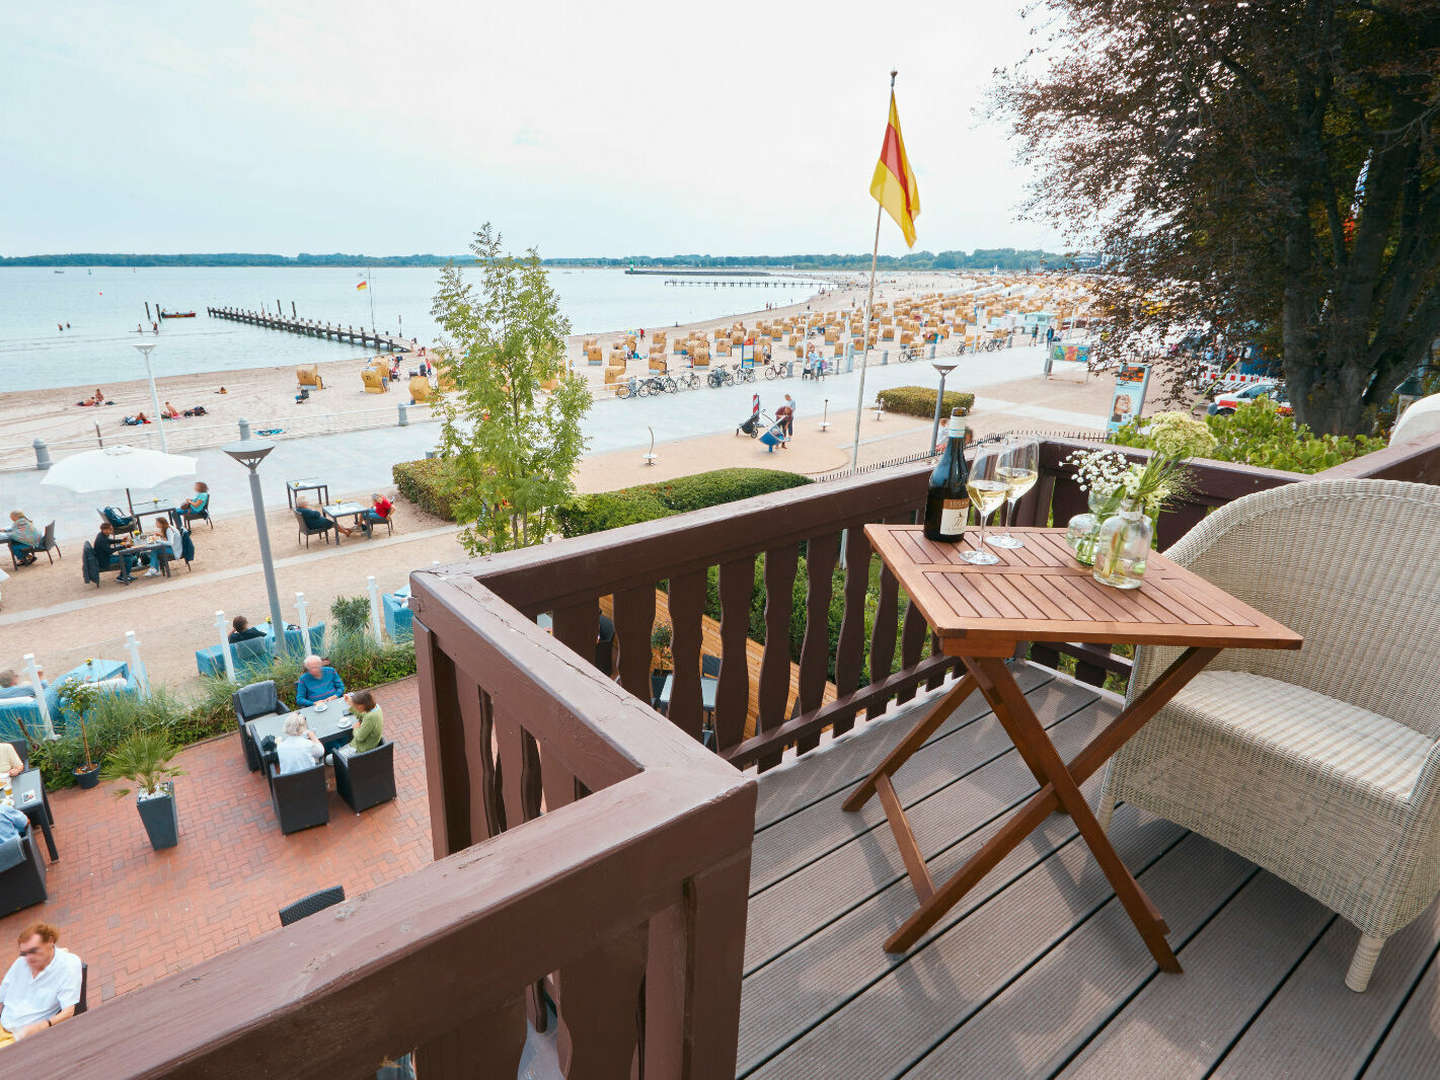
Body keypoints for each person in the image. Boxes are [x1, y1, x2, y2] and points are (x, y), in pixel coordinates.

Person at [0, 923, 83, 1046]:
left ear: (50, 941)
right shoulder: (21, 962)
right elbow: (2, 993)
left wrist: (44, 1025)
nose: (28, 958)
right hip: (3, 1026)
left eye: (33, 951)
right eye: (24, 953)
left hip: (22, 1037)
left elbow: (68, 1012)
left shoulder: (68, 966)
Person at [338, 689, 383, 757]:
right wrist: (351, 703)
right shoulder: (375, 707)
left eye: (355, 706)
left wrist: (355, 728)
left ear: (361, 706)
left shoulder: (370, 717)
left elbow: (359, 737)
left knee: (329, 759)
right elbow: (361, 715)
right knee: (338, 751)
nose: (355, 708)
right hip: (363, 743)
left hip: (362, 749)